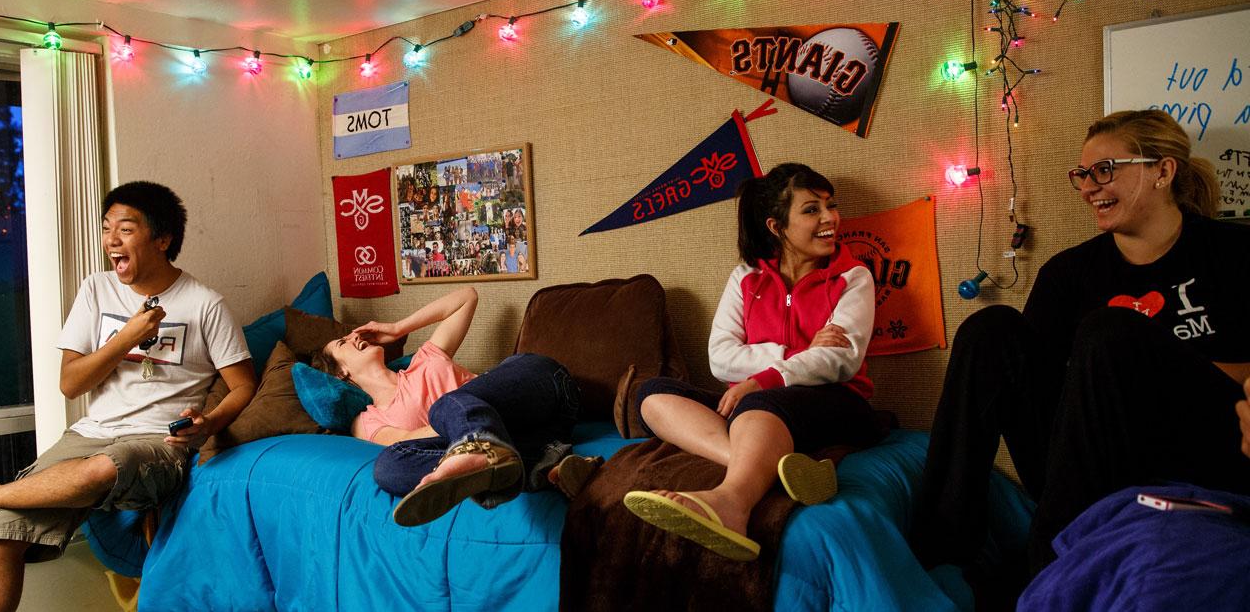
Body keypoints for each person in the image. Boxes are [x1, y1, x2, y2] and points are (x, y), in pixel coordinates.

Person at [910, 109, 1250, 584]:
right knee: (989, 328)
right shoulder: (1068, 274)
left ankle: (1049, 567)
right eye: (1082, 175)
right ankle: (939, 554)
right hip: (1089, 463)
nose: (1089, 187)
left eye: (1105, 170)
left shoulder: (1233, 253)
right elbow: (1039, 391)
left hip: (1202, 453)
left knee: (1107, 332)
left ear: (1162, 171)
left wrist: (1133, 365)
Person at [0, 181, 257, 611]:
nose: (110, 240)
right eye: (107, 228)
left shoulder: (205, 305)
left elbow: (243, 386)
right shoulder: (96, 289)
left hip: (155, 441)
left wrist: (210, 424)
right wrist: (124, 340)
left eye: (125, 229)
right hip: (91, 432)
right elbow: (71, 383)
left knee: (102, 469)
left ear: (163, 239)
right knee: (1, 531)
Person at [623, 163, 882, 561]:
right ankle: (773, 466)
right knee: (652, 395)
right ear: (776, 226)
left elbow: (840, 360)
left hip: (839, 403)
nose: (830, 218)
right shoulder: (746, 277)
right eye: (811, 210)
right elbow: (720, 358)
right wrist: (796, 354)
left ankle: (730, 503)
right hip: (756, 407)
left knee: (759, 403)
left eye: (830, 206)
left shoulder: (852, 277)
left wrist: (764, 380)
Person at [318, 286, 600, 527]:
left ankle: (480, 451)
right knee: (388, 467)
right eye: (344, 342)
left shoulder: (426, 358)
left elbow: (467, 296)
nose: (355, 336)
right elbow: (402, 443)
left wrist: (397, 328)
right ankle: (543, 463)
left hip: (540, 388)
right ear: (341, 374)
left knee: (446, 405)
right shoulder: (367, 420)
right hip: (536, 432)